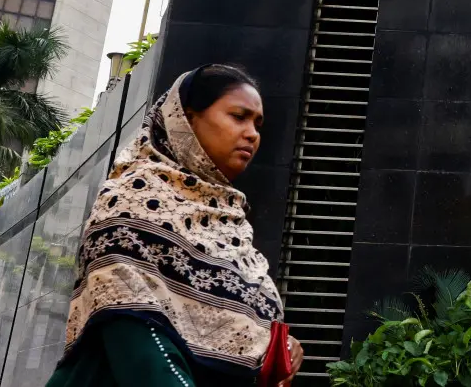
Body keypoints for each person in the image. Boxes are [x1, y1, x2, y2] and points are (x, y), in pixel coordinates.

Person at [46, 64, 304, 387]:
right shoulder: (130, 200)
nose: (252, 133)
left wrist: (279, 348)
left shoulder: (232, 227)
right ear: (187, 119)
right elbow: (134, 335)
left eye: (258, 123)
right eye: (239, 117)